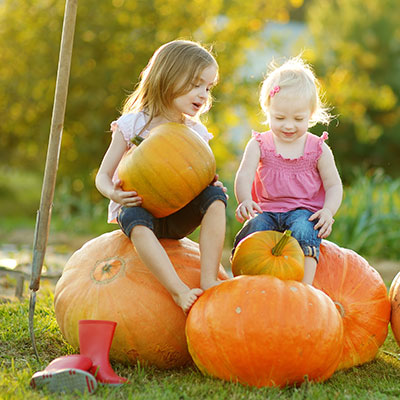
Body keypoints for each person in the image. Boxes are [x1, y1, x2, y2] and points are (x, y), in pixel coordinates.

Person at [96, 40, 227, 313]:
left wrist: (209, 184)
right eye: (195, 84)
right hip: (143, 215)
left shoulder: (194, 132)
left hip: (178, 213)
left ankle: (209, 276)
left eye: (208, 87)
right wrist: (114, 193)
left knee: (217, 197)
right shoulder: (133, 124)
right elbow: (103, 176)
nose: (203, 94)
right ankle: (178, 290)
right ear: (167, 76)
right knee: (131, 214)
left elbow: (195, 174)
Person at [233, 56, 343, 285]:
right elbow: (244, 175)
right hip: (266, 209)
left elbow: (333, 184)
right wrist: (244, 200)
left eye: (298, 118)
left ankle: (305, 287)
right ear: (268, 111)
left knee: (305, 229)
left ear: (311, 115)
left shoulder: (318, 149)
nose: (289, 125)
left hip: (303, 210)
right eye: (280, 118)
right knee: (254, 228)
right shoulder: (260, 144)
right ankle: (243, 278)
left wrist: (328, 212)